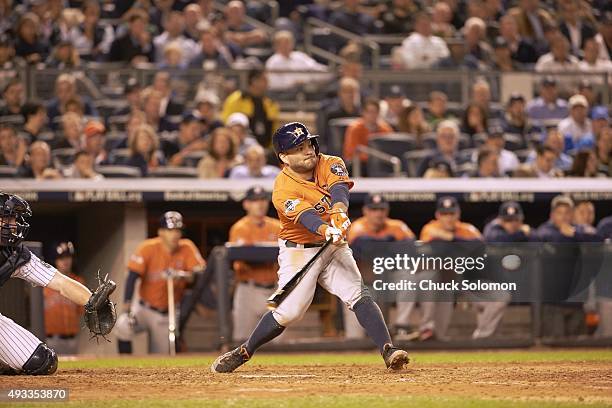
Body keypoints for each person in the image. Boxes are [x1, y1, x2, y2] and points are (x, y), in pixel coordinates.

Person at [211, 122, 409, 373]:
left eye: (308, 145)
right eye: (299, 148)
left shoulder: (330, 161)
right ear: (284, 157)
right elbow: (307, 218)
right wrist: (327, 229)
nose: (308, 151)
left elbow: (338, 188)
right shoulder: (282, 188)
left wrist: (338, 211)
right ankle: (245, 350)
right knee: (289, 313)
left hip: (333, 247)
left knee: (358, 293)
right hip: (299, 250)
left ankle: (388, 350)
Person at [0, 193, 115, 375]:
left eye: (14, 219)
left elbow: (60, 282)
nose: (13, 224)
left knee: (43, 361)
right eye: (7, 218)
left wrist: (92, 301)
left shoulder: (14, 255)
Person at [417, 196, 509, 340]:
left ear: (458, 214)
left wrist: (451, 239)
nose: (448, 218)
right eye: (444, 214)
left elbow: (481, 247)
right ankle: (426, 328)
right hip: (443, 282)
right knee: (439, 336)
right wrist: (461, 246)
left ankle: (481, 338)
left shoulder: (467, 229)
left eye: (451, 214)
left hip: (469, 280)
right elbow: (438, 250)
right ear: (437, 215)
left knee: (500, 296)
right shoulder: (430, 228)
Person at [116, 211, 205, 354]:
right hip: (143, 308)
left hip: (165, 313)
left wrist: (183, 275)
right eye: (170, 230)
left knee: (162, 355)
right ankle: (124, 365)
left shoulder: (187, 247)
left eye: (177, 230)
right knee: (123, 325)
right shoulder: (148, 247)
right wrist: (127, 305)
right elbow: (132, 276)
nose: (175, 234)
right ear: (161, 232)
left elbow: (200, 272)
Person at [347, 193, 415, 339]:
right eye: (374, 209)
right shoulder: (356, 227)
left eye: (381, 209)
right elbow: (362, 250)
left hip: (389, 278)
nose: (378, 213)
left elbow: (411, 249)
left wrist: (380, 248)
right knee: (356, 338)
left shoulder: (397, 226)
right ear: (365, 211)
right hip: (363, 283)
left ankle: (402, 326)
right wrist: (391, 245)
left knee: (409, 276)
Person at [536, 195, 601, 338]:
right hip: (553, 302)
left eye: (567, 213)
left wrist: (574, 234)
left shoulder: (578, 230)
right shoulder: (545, 231)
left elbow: (597, 238)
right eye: (560, 213)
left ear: (572, 214)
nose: (564, 217)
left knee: (579, 349)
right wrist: (570, 235)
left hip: (577, 301)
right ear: (552, 215)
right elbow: (548, 239)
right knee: (554, 345)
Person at [229, 186, 280, 341]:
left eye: (263, 200)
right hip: (248, 290)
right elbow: (239, 262)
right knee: (242, 340)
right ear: (246, 204)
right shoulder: (240, 228)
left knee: (277, 342)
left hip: (274, 289)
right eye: (255, 201)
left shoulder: (277, 226)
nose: (260, 204)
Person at [43, 242, 84, 355]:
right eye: (61, 258)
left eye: (68, 257)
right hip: (51, 340)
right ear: (54, 260)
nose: (66, 261)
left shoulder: (78, 282)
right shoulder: (44, 282)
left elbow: (81, 311)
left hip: (72, 339)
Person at [221, 69, 280, 148]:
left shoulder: (270, 103)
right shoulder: (236, 99)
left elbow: (274, 128)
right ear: (254, 81)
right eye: (264, 80)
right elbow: (226, 123)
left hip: (264, 150)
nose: (267, 83)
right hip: (240, 148)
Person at [265, 30, 329, 91]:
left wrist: (329, 71)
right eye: (283, 43)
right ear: (276, 45)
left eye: (288, 42)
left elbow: (315, 68)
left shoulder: (300, 56)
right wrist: (292, 83)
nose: (286, 46)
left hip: (305, 90)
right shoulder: (272, 62)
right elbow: (272, 83)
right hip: (284, 95)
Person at [343, 98, 393, 167]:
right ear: (363, 112)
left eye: (375, 112)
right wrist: (372, 157)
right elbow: (351, 152)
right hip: (360, 165)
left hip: (381, 164)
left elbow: (391, 150)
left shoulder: (385, 129)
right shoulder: (354, 128)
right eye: (369, 112)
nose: (372, 115)